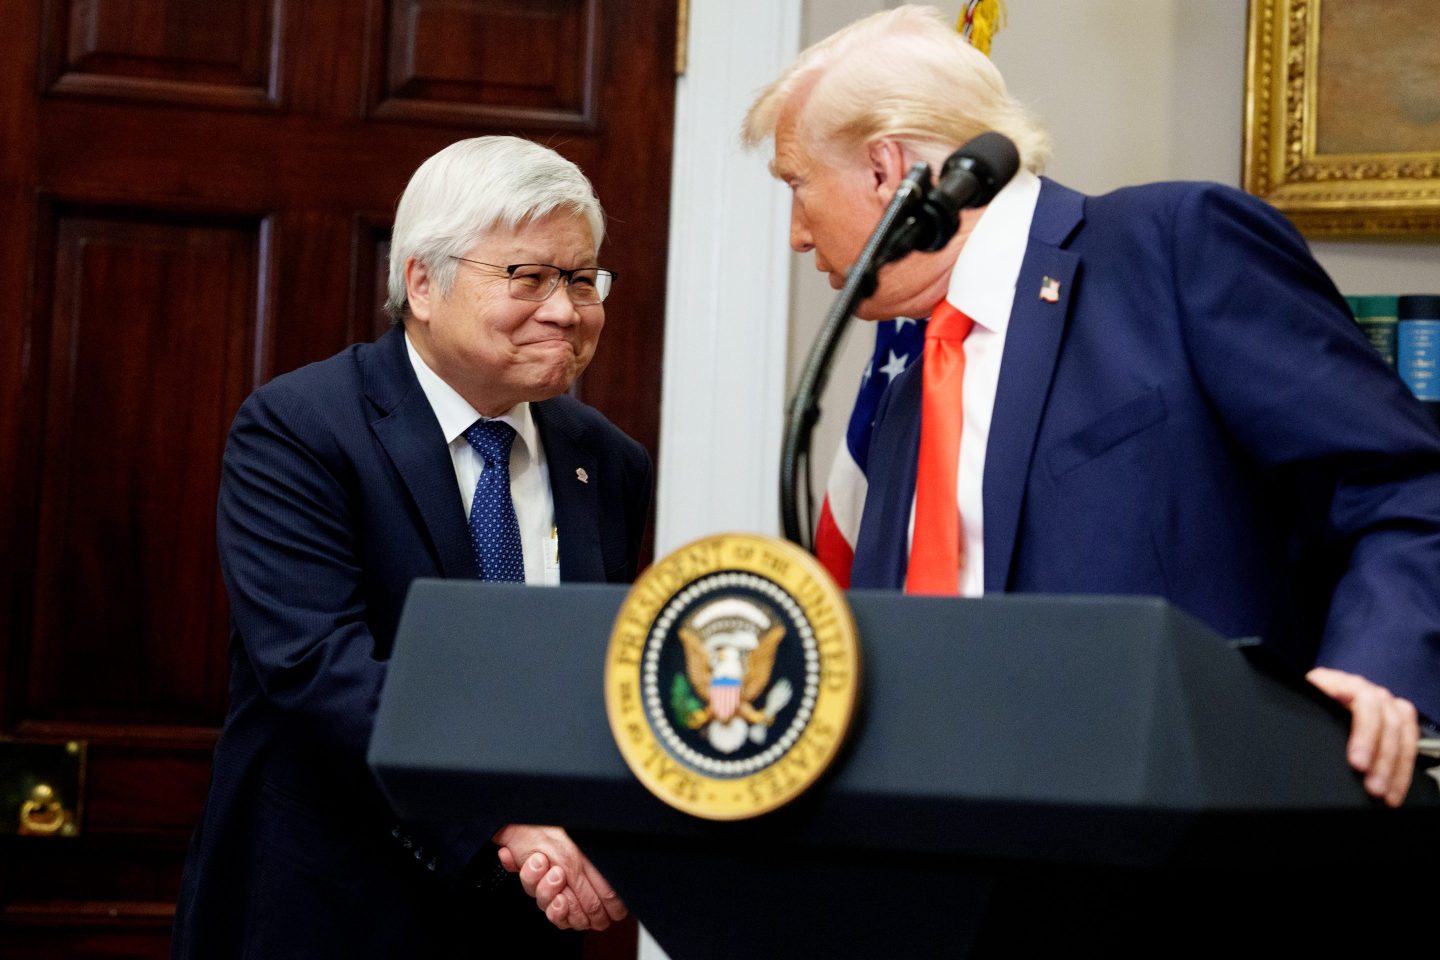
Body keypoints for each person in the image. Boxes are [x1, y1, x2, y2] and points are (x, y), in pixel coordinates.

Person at [742, 5, 1438, 809]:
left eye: (796, 184)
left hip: (1186, 826)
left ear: (885, 170)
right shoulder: (907, 387)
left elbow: (1405, 488)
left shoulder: (1173, 248)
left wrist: (1371, 673)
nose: (797, 233)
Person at [172, 136, 650, 959]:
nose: (566, 310)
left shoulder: (606, 461)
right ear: (422, 282)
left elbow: (592, 682)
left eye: (580, 279)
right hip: (328, 910)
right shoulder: (301, 429)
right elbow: (319, 670)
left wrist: (614, 831)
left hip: (523, 922)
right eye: (528, 278)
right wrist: (504, 816)